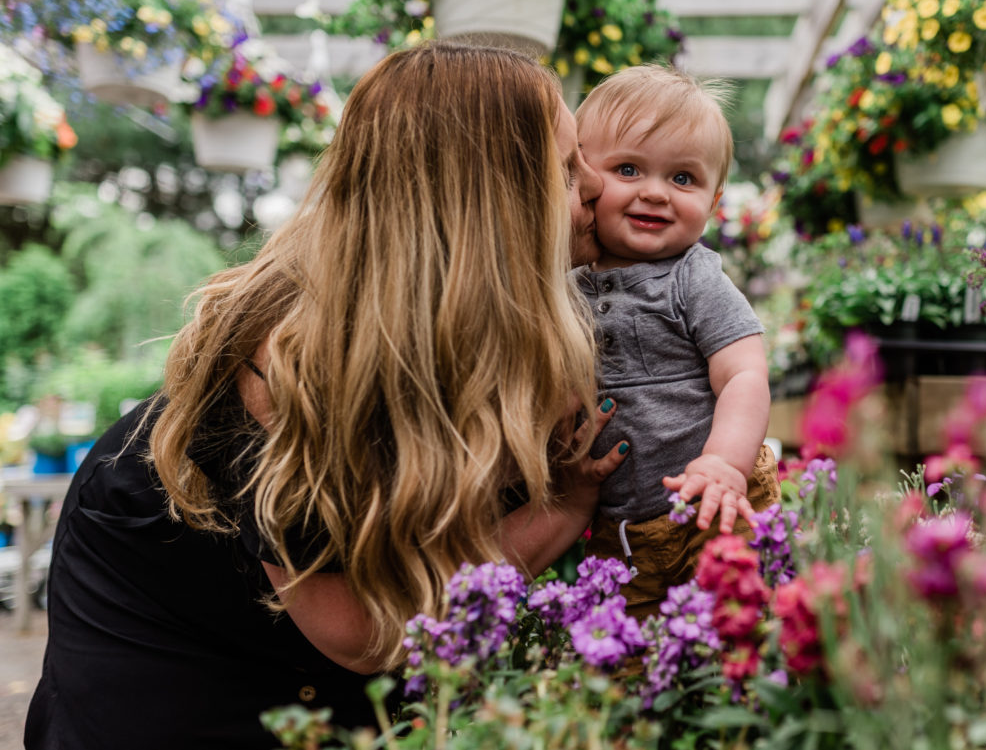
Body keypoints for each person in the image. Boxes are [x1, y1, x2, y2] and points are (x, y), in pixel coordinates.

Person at [26, 42, 626, 750]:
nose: (598, 187)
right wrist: (564, 507)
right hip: (178, 660)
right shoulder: (286, 365)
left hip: (303, 663)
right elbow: (360, 632)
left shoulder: (467, 329)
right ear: (486, 209)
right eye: (564, 169)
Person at [573, 64, 778, 618]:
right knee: (627, 663)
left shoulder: (693, 277)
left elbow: (744, 373)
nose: (656, 193)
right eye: (629, 168)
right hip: (621, 533)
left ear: (714, 206)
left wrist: (725, 464)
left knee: (735, 629)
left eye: (683, 179)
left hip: (710, 503)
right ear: (582, 178)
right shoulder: (565, 285)